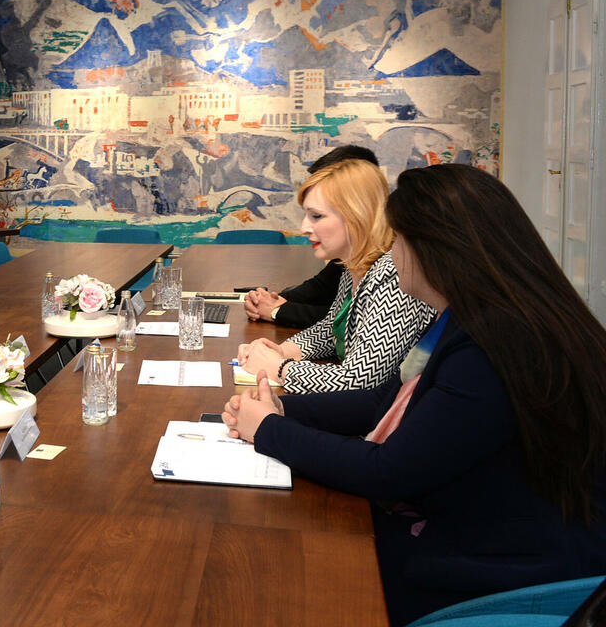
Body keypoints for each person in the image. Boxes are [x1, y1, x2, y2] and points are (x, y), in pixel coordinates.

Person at [223, 164, 606, 626]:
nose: (392, 253)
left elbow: (389, 472)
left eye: (399, 240)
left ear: (434, 249)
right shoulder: (476, 317)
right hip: (484, 534)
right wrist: (283, 408)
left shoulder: (496, 344)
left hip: (511, 572)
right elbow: (383, 401)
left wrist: (269, 430)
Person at [237, 158, 434, 393]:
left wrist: (279, 368)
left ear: (357, 215)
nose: (304, 228)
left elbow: (359, 381)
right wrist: (280, 350)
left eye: (316, 216)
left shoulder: (394, 275)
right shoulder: (354, 264)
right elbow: (330, 330)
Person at [244, 144, 379, 328]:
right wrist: (266, 301)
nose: (304, 228)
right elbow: (328, 316)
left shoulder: (389, 270)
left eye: (317, 215)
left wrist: (277, 310)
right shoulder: (352, 259)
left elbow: (342, 323)